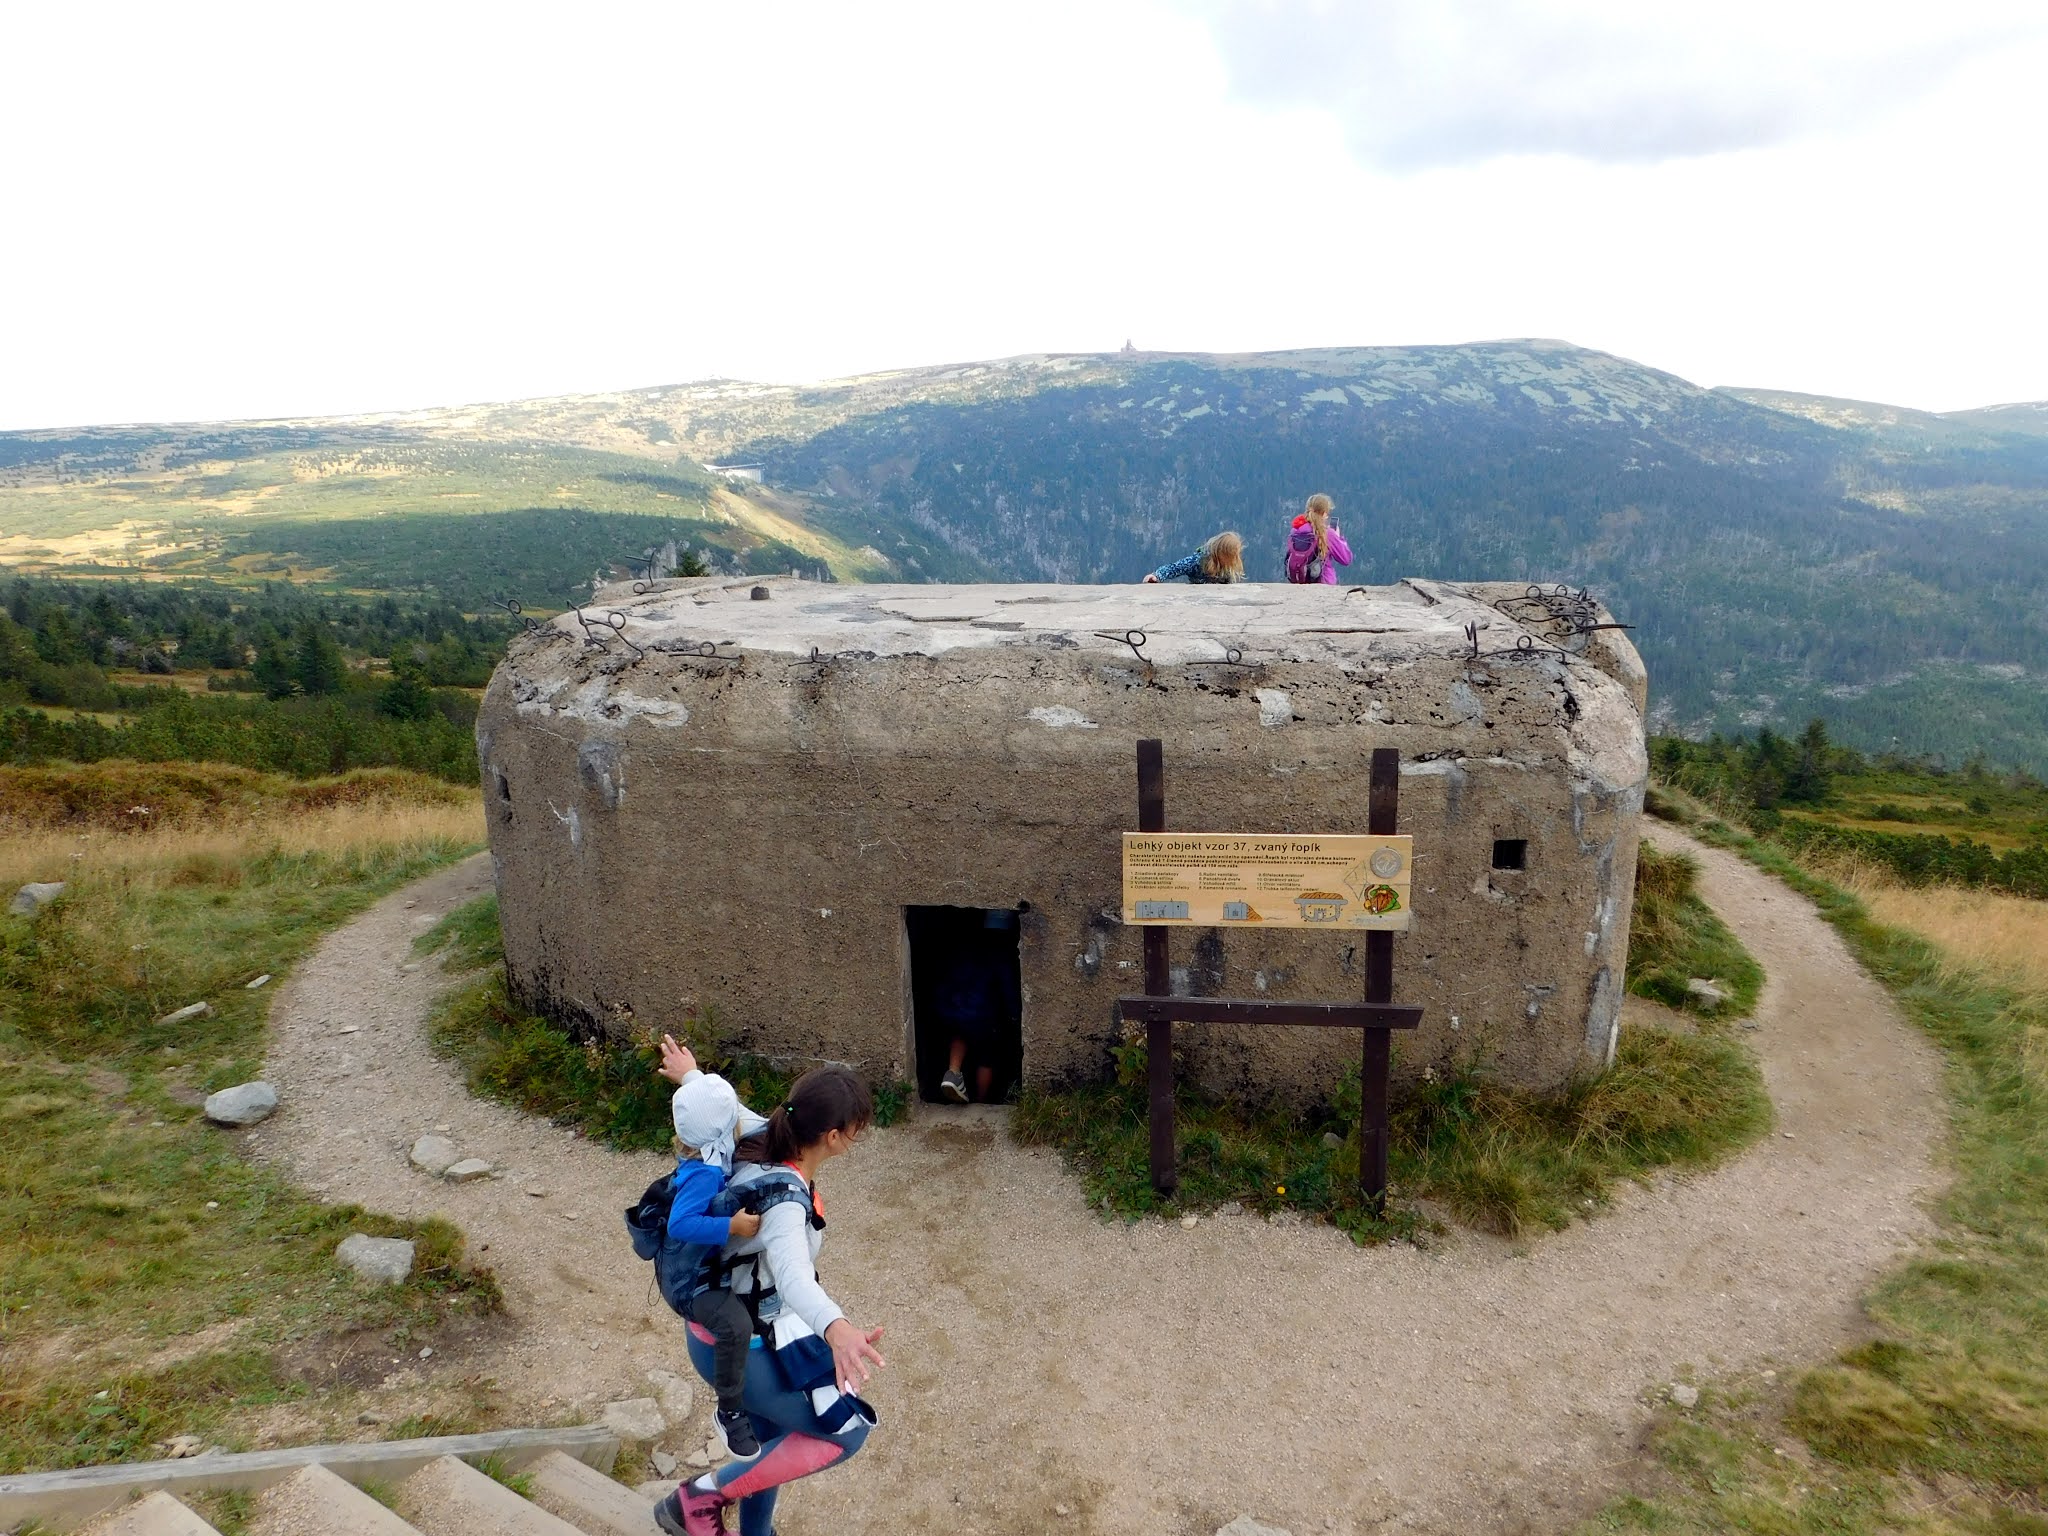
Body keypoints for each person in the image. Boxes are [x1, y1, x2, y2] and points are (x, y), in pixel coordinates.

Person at [654, 1060, 887, 1536]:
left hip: (718, 1318)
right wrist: (837, 1328)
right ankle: (696, 1501)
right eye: (858, 1130)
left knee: (773, 1443)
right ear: (836, 1136)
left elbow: (720, 1100)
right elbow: (796, 1277)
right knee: (847, 1434)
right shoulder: (783, 1201)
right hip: (741, 1344)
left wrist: (691, 1076)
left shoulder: (755, 1131)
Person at [660, 1046, 767, 1461]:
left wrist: (692, 1076)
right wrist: (732, 1227)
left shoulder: (701, 1140)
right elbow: (680, 1224)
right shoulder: (704, 1173)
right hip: (688, 1281)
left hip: (700, 1260)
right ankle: (730, 1411)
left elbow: (723, 1110)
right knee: (736, 1326)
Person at [1284, 493, 1351, 584]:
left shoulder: (1296, 530)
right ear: (1324, 513)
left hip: (1299, 583)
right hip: (1323, 583)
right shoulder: (1327, 534)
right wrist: (1338, 537)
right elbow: (1346, 559)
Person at [1143, 529, 1244, 583]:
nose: (1235, 560)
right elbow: (1175, 568)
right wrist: (1157, 575)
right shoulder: (1198, 561)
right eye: (1232, 556)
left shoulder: (1227, 568)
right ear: (1221, 553)